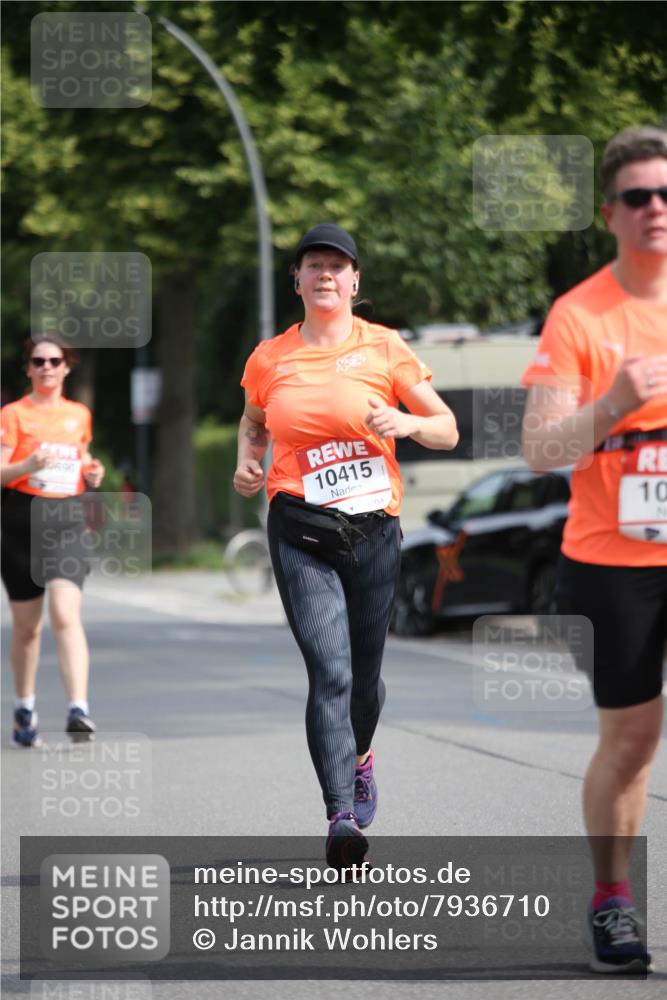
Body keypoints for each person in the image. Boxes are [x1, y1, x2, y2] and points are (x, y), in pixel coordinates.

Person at [234, 223, 458, 869]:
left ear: (355, 282)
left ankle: (361, 758)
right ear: (297, 281)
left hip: (373, 531)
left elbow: (444, 429)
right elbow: (252, 424)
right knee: (328, 671)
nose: (325, 274)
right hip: (300, 527)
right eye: (313, 265)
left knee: (364, 681)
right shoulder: (269, 357)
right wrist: (247, 465)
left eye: (337, 265)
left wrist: (408, 421)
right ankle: (338, 816)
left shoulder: (385, 349)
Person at [521, 126, 667, 974]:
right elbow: (540, 447)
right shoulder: (579, 314)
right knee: (632, 740)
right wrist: (611, 400)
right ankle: (611, 901)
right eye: (640, 197)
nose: (656, 210)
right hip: (614, 558)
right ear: (609, 213)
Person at [1, 335, 105, 746]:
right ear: (28, 368)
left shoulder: (78, 414)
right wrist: (28, 464)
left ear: (66, 367)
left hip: (66, 520)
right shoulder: (13, 414)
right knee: (27, 629)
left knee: (65, 614)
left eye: (54, 360)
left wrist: (92, 473)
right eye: (38, 361)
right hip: (20, 521)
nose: (46, 367)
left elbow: (82, 461)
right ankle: (24, 707)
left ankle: (78, 708)